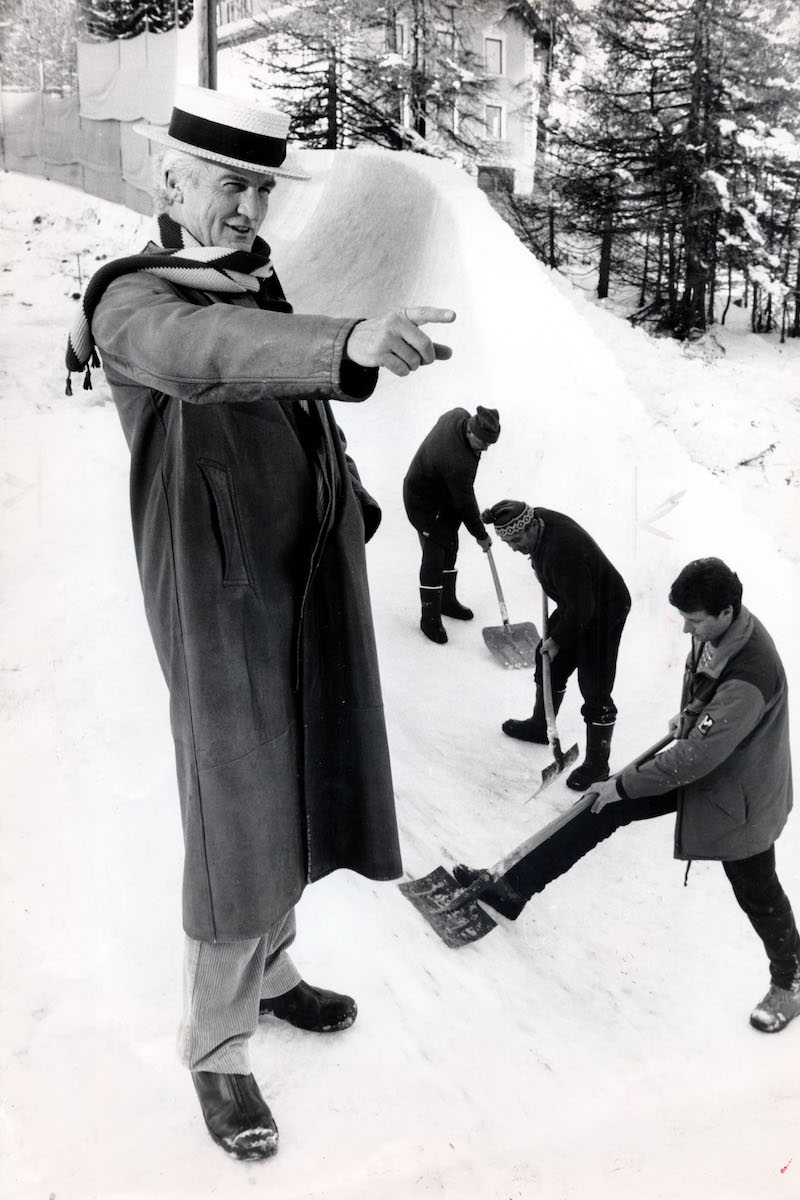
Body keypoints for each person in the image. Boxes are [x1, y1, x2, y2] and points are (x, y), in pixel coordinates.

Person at [65, 85, 456, 1161]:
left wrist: (347, 490)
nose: (246, 209)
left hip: (302, 564)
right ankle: (216, 1049)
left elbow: (288, 396)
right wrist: (347, 337)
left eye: (260, 190)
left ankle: (273, 972)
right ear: (170, 179)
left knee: (304, 771)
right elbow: (214, 354)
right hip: (216, 585)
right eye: (229, 185)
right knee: (237, 798)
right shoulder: (133, 301)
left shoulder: (251, 275)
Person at [454, 558, 800, 1033]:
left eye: (694, 620)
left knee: (757, 893)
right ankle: (510, 888)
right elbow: (706, 692)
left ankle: (791, 981)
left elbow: (697, 757)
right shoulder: (720, 632)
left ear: (726, 611)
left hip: (739, 794)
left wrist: (624, 780)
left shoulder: (752, 671)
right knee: (600, 804)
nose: (685, 629)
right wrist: (695, 710)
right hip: (709, 762)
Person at [481, 499, 631, 790]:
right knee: (548, 659)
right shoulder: (538, 522)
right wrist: (554, 642)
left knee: (594, 685)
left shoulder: (563, 552)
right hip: (575, 600)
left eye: (516, 540)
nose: (513, 547)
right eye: (507, 541)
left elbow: (583, 609)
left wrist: (558, 639)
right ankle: (540, 726)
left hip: (603, 610)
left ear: (532, 527)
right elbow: (574, 602)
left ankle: (597, 765)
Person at [403, 406, 499, 643]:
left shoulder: (459, 415)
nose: (485, 449)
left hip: (444, 493)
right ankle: (429, 619)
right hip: (423, 500)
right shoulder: (458, 461)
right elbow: (465, 501)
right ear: (470, 432)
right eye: (483, 443)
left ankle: (446, 602)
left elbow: (462, 494)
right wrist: (480, 534)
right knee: (435, 554)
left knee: (451, 544)